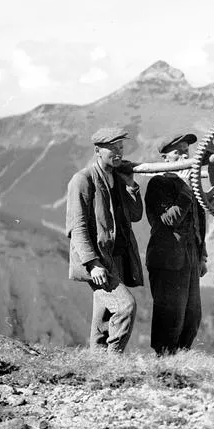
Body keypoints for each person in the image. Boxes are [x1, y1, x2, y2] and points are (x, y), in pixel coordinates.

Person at [65, 127, 144, 353]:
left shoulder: (117, 178)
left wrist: (130, 185)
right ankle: (113, 362)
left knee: (103, 317)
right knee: (125, 306)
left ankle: (97, 363)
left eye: (121, 147)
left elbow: (136, 215)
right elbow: (76, 227)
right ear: (98, 151)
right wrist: (92, 263)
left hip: (116, 257)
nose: (118, 153)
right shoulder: (82, 180)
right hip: (98, 260)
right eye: (113, 148)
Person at [144, 133, 208, 356]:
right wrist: (186, 188)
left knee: (191, 315)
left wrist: (202, 255)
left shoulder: (188, 184)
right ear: (165, 157)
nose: (183, 155)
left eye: (186, 150)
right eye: (177, 151)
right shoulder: (157, 183)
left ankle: (179, 361)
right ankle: (164, 362)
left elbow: (197, 221)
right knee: (170, 315)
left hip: (189, 256)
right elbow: (169, 220)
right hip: (167, 257)